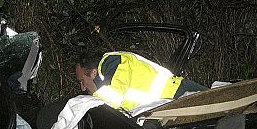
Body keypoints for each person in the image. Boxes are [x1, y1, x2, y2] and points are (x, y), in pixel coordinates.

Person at [75, 50, 206, 111]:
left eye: (82, 81)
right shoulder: (108, 75)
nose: (82, 87)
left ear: (93, 73)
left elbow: (116, 96)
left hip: (179, 93)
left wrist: (89, 101)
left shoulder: (112, 61)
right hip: (169, 102)